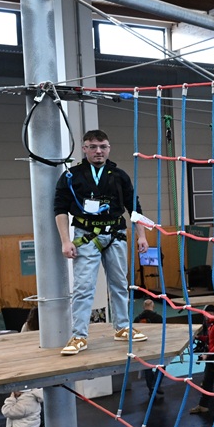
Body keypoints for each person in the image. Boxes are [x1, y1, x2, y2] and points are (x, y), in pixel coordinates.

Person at [53, 129, 149, 355]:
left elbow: (134, 208)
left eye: (103, 147)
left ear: (109, 148)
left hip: (115, 234)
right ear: (84, 148)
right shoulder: (71, 176)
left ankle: (122, 327)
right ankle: (79, 335)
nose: (98, 151)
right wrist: (65, 241)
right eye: (93, 147)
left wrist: (142, 235)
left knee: (119, 284)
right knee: (83, 287)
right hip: (86, 235)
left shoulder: (119, 176)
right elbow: (59, 210)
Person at [134, 299, 166, 398]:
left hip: (143, 346)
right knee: (162, 365)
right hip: (156, 344)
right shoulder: (159, 318)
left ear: (143, 307)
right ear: (153, 306)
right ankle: (155, 385)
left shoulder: (137, 319)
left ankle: (152, 388)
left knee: (147, 367)